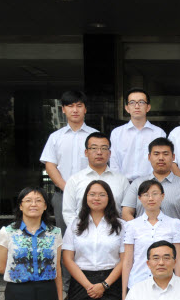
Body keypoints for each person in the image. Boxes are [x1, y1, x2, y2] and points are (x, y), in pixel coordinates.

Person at [40, 90, 97, 231]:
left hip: (91, 195)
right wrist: (67, 188)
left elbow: (101, 164)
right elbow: (50, 165)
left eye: (79, 105)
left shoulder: (95, 136)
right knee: (65, 235)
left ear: (85, 109)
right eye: (70, 106)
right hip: (62, 195)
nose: (75, 110)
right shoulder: (55, 137)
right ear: (63, 109)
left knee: (92, 232)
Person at [121, 137, 180, 233]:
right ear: (149, 157)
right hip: (141, 239)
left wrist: (169, 235)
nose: (161, 158)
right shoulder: (137, 184)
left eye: (165, 154)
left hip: (172, 239)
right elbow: (126, 212)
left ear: (173, 157)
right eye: (156, 154)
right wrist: (141, 234)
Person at [122, 179, 180, 297]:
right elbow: (127, 261)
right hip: (137, 283)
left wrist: (178, 288)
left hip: (167, 285)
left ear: (162, 196)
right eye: (146, 195)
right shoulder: (131, 225)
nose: (151, 198)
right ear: (139, 198)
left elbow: (178, 259)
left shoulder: (174, 224)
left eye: (155, 194)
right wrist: (124, 294)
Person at [62, 132, 129, 228]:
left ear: (109, 153)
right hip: (82, 232)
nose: (99, 152)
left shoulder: (121, 180)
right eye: (94, 148)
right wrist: (80, 231)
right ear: (86, 152)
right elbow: (68, 213)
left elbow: (126, 211)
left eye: (104, 148)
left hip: (114, 232)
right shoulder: (74, 180)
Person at [110, 88, 167, 182]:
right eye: (132, 102)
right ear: (127, 108)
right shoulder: (117, 133)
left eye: (141, 102)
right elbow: (114, 163)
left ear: (148, 107)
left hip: (151, 184)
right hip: (124, 184)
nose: (137, 106)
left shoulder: (158, 133)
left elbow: (163, 162)